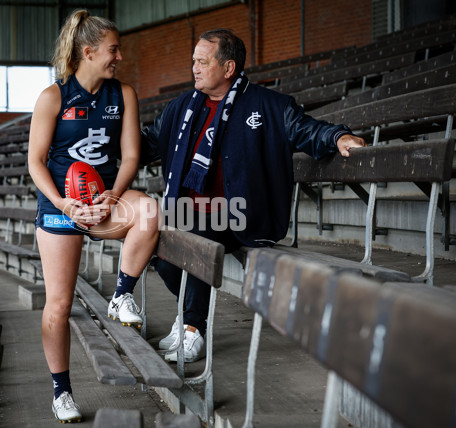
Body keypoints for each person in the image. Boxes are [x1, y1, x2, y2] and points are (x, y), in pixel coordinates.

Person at [142, 28, 366, 363]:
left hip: (241, 213)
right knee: (153, 237)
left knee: (197, 233)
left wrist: (338, 138)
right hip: (187, 211)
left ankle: (193, 328)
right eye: (194, 61)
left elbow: (306, 130)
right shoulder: (182, 108)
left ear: (228, 68)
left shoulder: (268, 105)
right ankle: (184, 311)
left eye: (203, 62)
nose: (195, 68)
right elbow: (146, 142)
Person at [28, 10, 159, 423]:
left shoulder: (124, 95)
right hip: (63, 206)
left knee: (150, 211)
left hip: (102, 200)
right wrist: (65, 203)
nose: (119, 56)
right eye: (113, 49)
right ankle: (61, 392)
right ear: (88, 52)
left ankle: (121, 297)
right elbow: (35, 162)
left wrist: (111, 196)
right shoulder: (53, 97)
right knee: (59, 305)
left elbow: (132, 155)